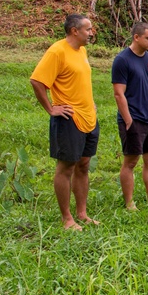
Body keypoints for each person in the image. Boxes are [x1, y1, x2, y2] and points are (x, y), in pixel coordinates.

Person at [29, 13, 99, 230]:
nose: (91, 32)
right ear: (74, 31)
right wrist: (51, 108)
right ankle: (66, 218)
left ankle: (82, 213)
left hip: (88, 116)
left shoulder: (82, 51)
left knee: (84, 165)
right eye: (88, 29)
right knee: (66, 166)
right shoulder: (57, 51)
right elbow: (37, 81)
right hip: (69, 118)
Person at [112, 22, 148, 210]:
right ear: (136, 37)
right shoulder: (122, 60)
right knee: (131, 161)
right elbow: (119, 93)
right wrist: (128, 120)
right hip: (134, 119)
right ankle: (129, 202)